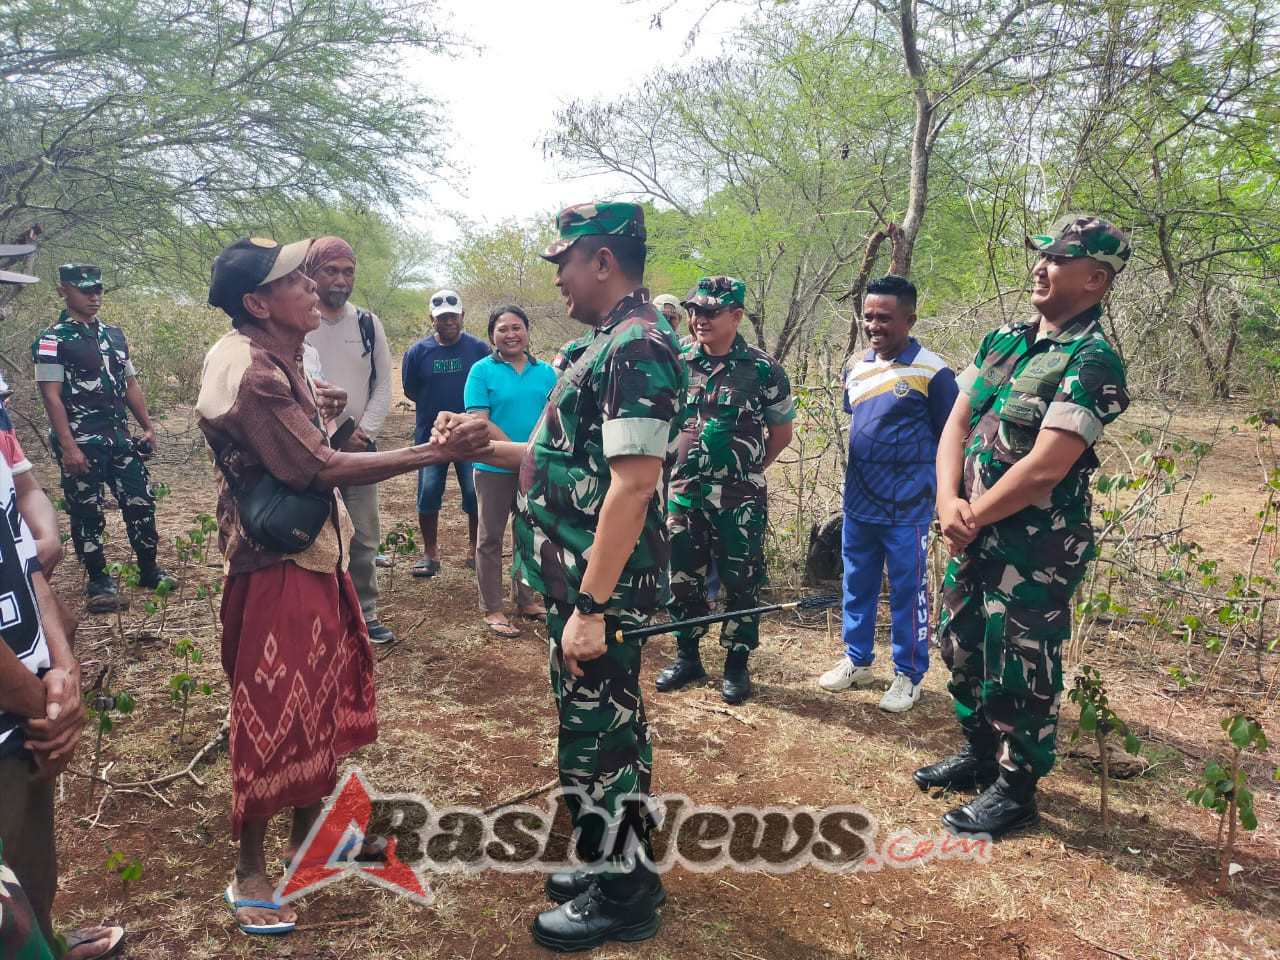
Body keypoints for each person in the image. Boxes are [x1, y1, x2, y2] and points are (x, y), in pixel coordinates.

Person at [198, 236, 489, 935]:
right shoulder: (256, 372)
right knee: (273, 712)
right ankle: (250, 872)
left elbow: (291, 442)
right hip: (276, 567)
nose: (313, 287)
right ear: (258, 303)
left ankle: (309, 840)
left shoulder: (270, 355)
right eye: (296, 279)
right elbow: (317, 467)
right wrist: (433, 451)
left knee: (316, 700)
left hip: (307, 555)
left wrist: (316, 401)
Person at [433, 202, 686, 951]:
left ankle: (623, 897)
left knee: (596, 738)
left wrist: (591, 606)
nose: (558, 279)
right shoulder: (598, 345)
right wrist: (482, 443)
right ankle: (624, 865)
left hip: (598, 589)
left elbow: (635, 484)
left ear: (602, 260)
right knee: (614, 733)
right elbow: (559, 459)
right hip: (573, 580)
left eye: (564, 262)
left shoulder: (638, 346)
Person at [915, 215, 1131, 838]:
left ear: (1095, 278)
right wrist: (947, 499)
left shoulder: (1092, 359)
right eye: (1040, 256)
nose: (1040, 267)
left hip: (1035, 546)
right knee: (959, 645)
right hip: (969, 529)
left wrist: (970, 514)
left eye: (1056, 260)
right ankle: (980, 753)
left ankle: (1016, 789)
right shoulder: (1003, 342)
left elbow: (1045, 467)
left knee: (1021, 661)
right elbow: (955, 425)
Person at [0, 265, 125, 960]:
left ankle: (43, 940)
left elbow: (22, 539)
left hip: (23, 701)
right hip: (17, 704)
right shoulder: (54, 345)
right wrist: (40, 704)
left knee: (28, 861)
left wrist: (63, 667)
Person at [817, 275, 957, 712]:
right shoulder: (857, 368)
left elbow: (953, 436)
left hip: (908, 508)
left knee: (907, 593)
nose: (874, 325)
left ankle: (909, 675)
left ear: (910, 319)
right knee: (855, 585)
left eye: (885, 317)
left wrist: (945, 497)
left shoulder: (934, 372)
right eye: (869, 316)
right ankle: (857, 661)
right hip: (859, 504)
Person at [653, 276, 794, 704]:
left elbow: (781, 433)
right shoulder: (676, 359)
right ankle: (687, 656)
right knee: (683, 577)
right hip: (683, 492)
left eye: (711, 312)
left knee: (740, 579)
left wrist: (744, 471)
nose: (699, 318)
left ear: (735, 316)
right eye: (694, 310)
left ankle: (736, 663)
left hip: (740, 499)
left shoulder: (763, 368)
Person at [32, 264, 172, 612]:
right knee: (87, 511)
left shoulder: (114, 335)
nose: (94, 297)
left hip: (120, 438)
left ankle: (149, 568)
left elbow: (130, 384)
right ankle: (98, 579)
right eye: (85, 290)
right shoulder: (52, 341)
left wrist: (148, 425)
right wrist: (68, 447)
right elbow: (51, 395)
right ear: (64, 292)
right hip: (81, 440)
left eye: (98, 290)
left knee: (140, 502)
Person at [302, 237, 395, 644]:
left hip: (359, 448)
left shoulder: (367, 324)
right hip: (309, 448)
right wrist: (327, 432)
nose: (341, 280)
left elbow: (384, 384)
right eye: (331, 271)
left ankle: (365, 613)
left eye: (348, 271)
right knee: (312, 533)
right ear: (311, 273)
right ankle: (322, 615)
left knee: (363, 533)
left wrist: (364, 433)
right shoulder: (299, 320)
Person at [462, 304, 558, 637]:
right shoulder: (481, 371)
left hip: (535, 468)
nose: (510, 334)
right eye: (503, 329)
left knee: (528, 534)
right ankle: (492, 608)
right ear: (492, 335)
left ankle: (526, 600)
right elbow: (479, 420)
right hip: (492, 466)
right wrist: (520, 453)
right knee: (489, 538)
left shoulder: (546, 372)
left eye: (517, 327)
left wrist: (531, 456)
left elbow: (552, 418)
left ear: (527, 331)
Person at [401, 289, 490, 577]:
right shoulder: (417, 352)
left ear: (462, 317)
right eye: (442, 318)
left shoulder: (478, 350)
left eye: (453, 316)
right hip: (432, 436)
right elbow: (410, 390)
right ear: (432, 319)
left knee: (473, 492)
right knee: (428, 492)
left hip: (469, 436)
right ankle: (430, 553)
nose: (448, 322)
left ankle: (474, 549)